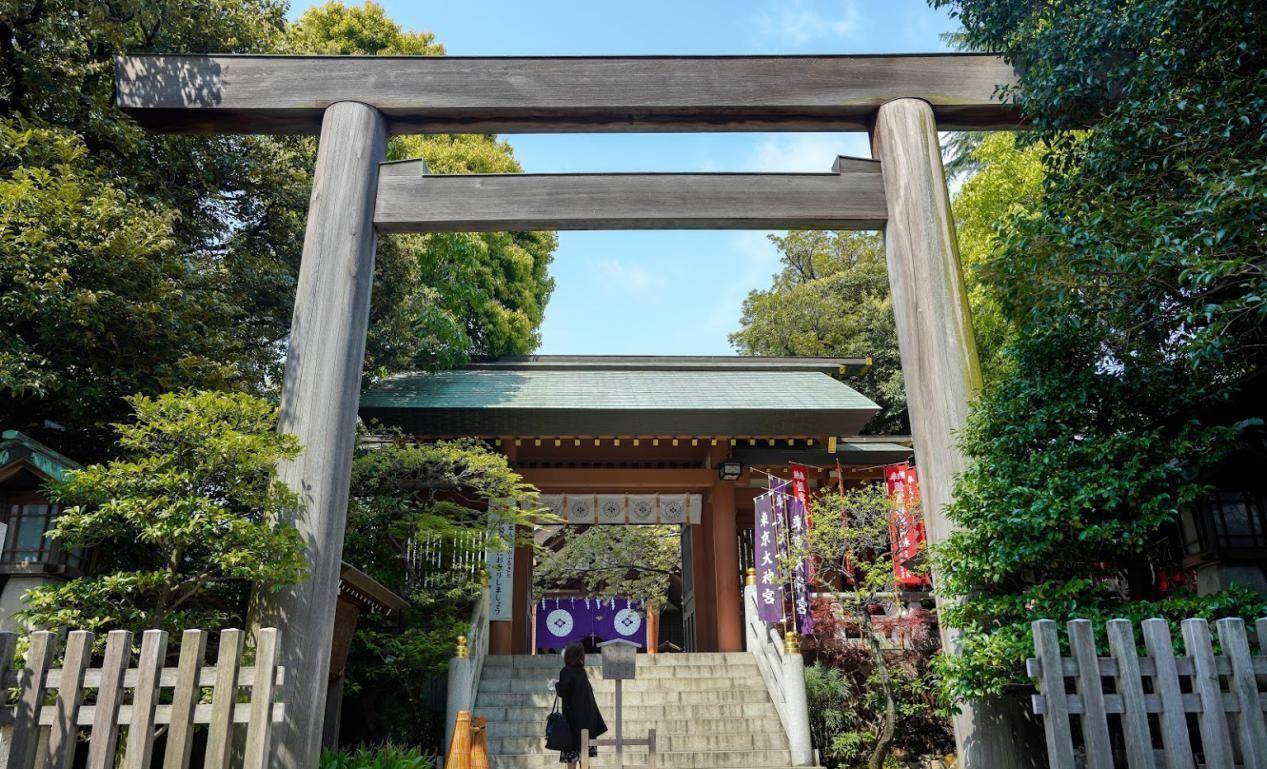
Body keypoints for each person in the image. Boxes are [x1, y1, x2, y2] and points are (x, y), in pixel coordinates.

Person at [552, 642, 607, 769]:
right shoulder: (582, 672)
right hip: (587, 722)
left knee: (571, 760)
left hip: (572, 724)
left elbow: (563, 692)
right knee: (585, 759)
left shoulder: (566, 671)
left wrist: (556, 685)